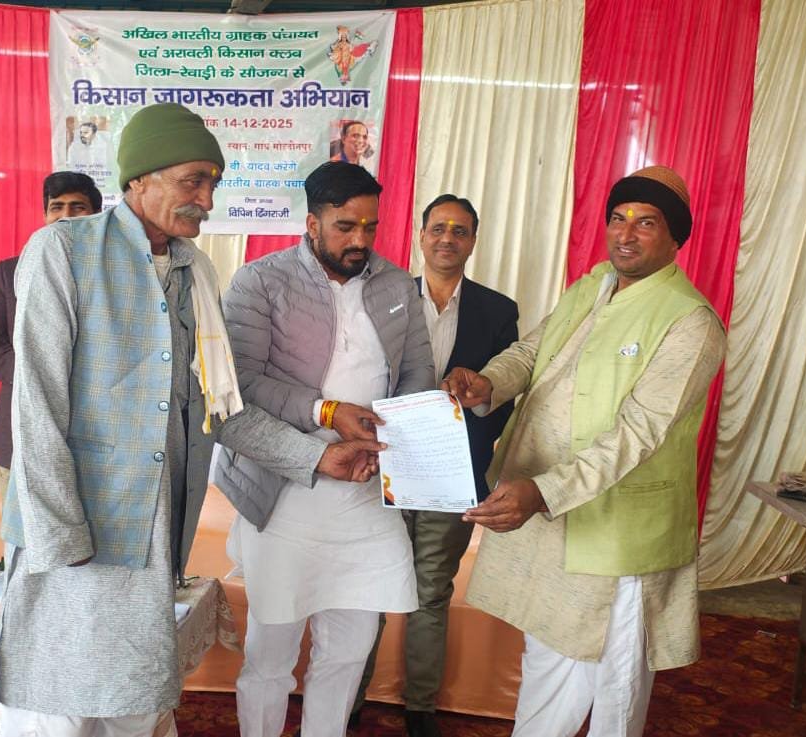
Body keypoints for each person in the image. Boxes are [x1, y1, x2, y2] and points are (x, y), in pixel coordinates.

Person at [0, 104, 382, 737]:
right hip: (76, 531)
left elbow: (218, 409)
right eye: (192, 181)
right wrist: (60, 540)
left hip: (153, 533)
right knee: (56, 708)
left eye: (213, 183)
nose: (206, 199)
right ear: (139, 178)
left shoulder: (194, 271)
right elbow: (36, 405)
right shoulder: (64, 250)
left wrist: (317, 456)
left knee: (134, 705)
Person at [450, 166, 727, 737]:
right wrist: (489, 382)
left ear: (675, 237)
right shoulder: (593, 285)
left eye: (646, 223)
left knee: (611, 677)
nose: (625, 234)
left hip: (616, 531)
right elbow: (533, 352)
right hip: (553, 511)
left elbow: (639, 433)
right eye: (618, 218)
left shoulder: (690, 321)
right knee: (548, 652)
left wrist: (543, 492)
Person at [215, 161, 433, 737]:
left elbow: (417, 371)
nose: (360, 239)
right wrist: (328, 414)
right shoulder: (259, 281)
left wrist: (392, 439)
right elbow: (240, 385)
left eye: (370, 226)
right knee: (271, 654)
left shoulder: (396, 285)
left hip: (364, 495)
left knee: (349, 650)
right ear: (311, 223)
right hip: (283, 490)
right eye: (345, 226)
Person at [351, 194, 519, 736]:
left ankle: (420, 706)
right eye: (438, 228)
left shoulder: (498, 311)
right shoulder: (383, 298)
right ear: (421, 236)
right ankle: (349, 697)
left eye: (460, 230)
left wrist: (470, 415)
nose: (448, 238)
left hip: (453, 475)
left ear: (473, 241)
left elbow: (505, 395)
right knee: (372, 585)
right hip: (384, 469)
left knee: (431, 591)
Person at [0, 172, 102, 521]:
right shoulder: (11, 271)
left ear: (96, 216)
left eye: (78, 207)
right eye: (56, 207)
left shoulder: (114, 276)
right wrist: (38, 370)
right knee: (24, 542)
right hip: (19, 439)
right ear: (44, 215)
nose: (66, 217)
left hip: (95, 439)